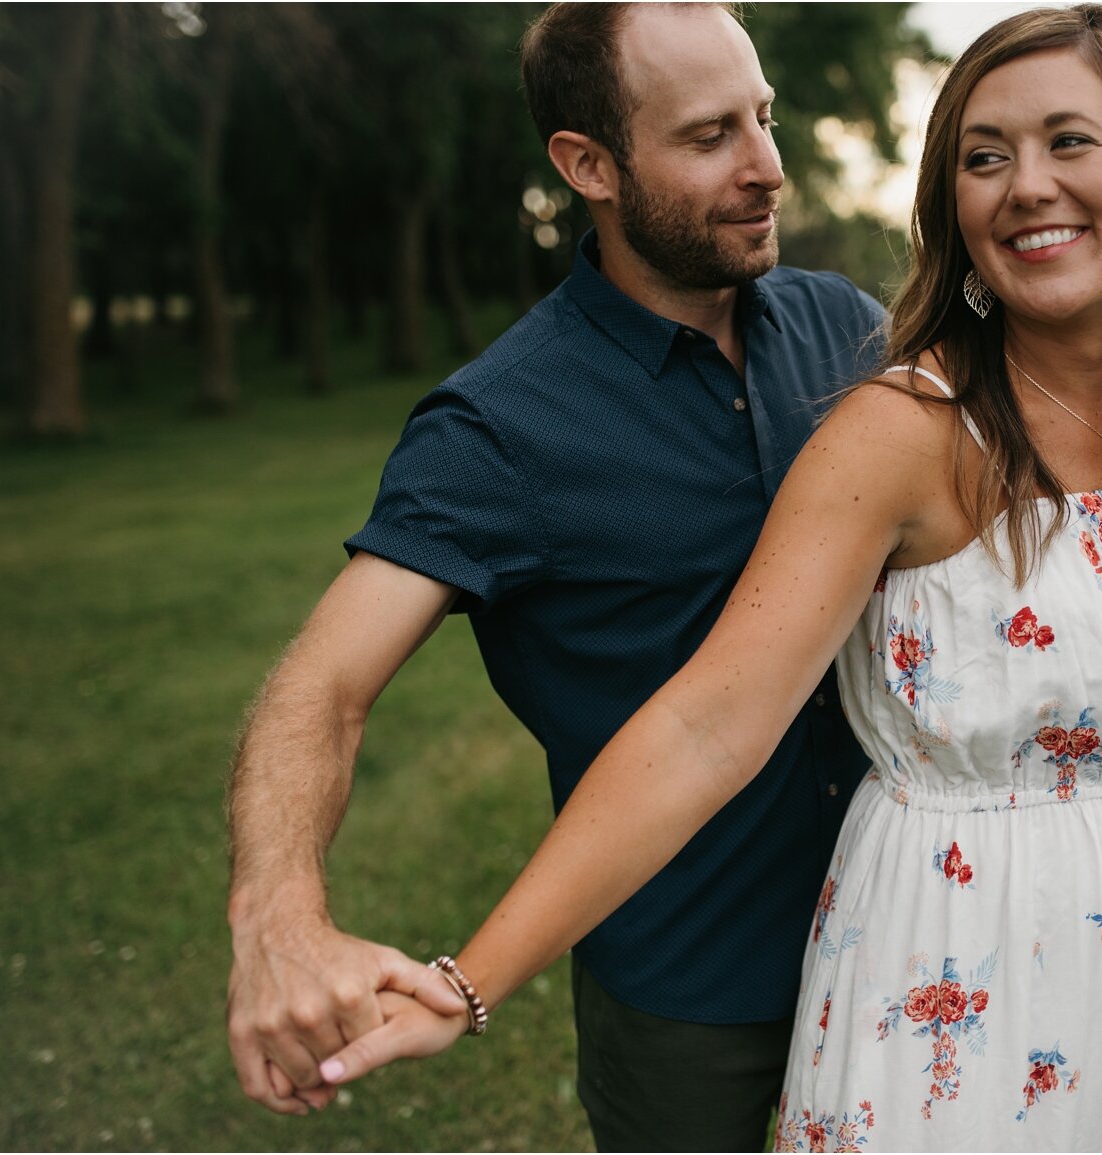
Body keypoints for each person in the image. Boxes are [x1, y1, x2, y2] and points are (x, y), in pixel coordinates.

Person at [315, 5, 1102, 1149]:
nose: (1026, 187)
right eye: (985, 156)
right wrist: (463, 981)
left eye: (1070, 141)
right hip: (877, 953)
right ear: (587, 167)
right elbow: (710, 724)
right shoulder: (895, 424)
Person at [222, 4, 888, 1148]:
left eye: (765, 119)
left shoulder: (847, 331)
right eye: (709, 135)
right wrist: (276, 918)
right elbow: (319, 690)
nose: (767, 167)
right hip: (687, 993)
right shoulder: (497, 428)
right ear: (589, 166)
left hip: (906, 932)